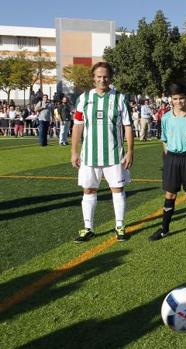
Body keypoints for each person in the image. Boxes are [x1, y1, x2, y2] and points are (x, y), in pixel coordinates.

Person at [71, 62, 134, 243]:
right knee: (89, 190)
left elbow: (128, 126)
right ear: (93, 78)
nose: (102, 79)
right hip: (89, 155)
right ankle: (88, 228)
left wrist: (130, 151)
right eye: (99, 76)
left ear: (110, 77)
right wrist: (74, 151)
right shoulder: (84, 98)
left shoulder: (119, 98)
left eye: (105, 76)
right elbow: (77, 126)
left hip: (114, 154)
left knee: (117, 189)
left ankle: (120, 226)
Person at [149, 83, 186, 242]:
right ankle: (164, 229)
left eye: (181, 98)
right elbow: (164, 140)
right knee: (170, 194)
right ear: (171, 100)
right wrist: (168, 158)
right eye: (175, 98)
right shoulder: (166, 117)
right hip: (172, 159)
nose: (179, 101)